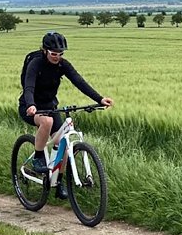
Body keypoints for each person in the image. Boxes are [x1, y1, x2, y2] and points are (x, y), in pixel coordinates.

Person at [20, 31, 114, 179]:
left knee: (63, 142)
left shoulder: (62, 64)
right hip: (30, 106)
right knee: (47, 121)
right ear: (44, 51)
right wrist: (31, 104)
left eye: (60, 54)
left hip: (50, 106)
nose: (57, 57)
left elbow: (79, 82)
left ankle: (58, 181)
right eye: (53, 54)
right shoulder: (36, 63)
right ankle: (38, 158)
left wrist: (99, 99)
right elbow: (29, 86)